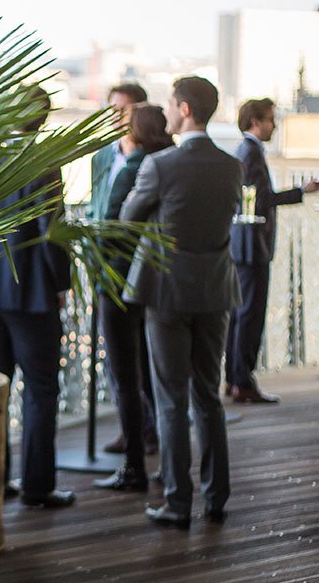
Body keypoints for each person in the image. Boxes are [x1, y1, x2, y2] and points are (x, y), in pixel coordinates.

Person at [121, 76, 242, 529]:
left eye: (171, 105)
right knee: (208, 396)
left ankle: (177, 501)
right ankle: (216, 497)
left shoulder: (161, 164)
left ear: (185, 109)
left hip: (168, 291)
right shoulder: (232, 166)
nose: (167, 112)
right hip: (215, 290)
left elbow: (128, 216)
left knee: (171, 399)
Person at [0, 85, 75, 509]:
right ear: (43, 119)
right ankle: (38, 487)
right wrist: (62, 285)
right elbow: (51, 231)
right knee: (41, 388)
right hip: (30, 293)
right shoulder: (43, 163)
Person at [226, 98, 319, 404]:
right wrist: (301, 191)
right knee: (249, 315)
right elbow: (260, 200)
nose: (275, 125)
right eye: (271, 119)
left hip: (242, 245)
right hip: (252, 247)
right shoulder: (252, 152)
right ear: (256, 122)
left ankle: (234, 379)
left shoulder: (246, 150)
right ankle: (242, 380)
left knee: (239, 315)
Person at [95, 104, 173, 492]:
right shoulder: (172, 164)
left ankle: (133, 467)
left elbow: (111, 226)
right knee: (157, 374)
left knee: (127, 377)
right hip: (160, 283)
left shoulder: (134, 168)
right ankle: (169, 464)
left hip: (119, 281)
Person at [89, 82, 158, 456]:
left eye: (125, 110)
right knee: (118, 360)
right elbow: (95, 207)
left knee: (143, 356)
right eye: (112, 109)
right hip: (105, 270)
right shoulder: (101, 156)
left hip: (142, 270)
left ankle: (148, 430)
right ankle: (132, 428)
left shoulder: (152, 159)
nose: (117, 117)